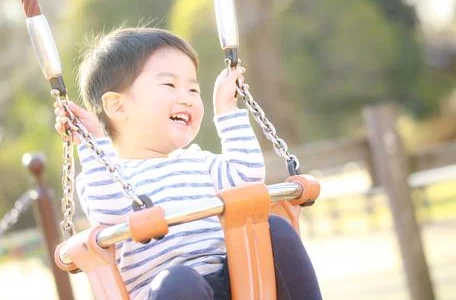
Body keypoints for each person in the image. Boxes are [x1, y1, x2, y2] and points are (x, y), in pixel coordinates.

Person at [55, 27, 321, 300]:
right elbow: (111, 214)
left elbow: (247, 180)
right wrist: (92, 144)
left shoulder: (199, 162)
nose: (187, 96)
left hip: (237, 284)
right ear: (118, 106)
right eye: (169, 85)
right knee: (180, 279)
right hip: (170, 292)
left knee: (272, 228)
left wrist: (227, 111)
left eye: (193, 88)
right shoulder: (108, 180)